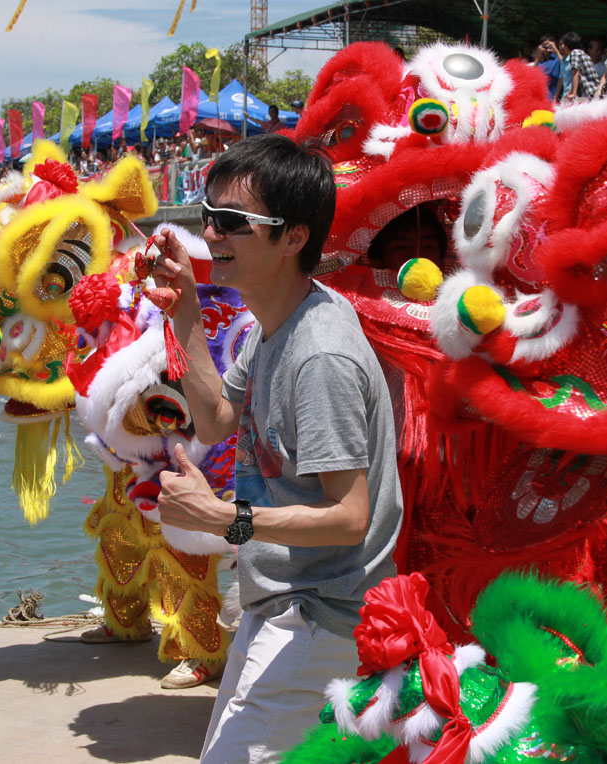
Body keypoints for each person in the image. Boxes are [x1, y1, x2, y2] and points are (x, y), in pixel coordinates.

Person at [151, 134, 403, 764]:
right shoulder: (277, 327)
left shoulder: (318, 355)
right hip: (280, 605)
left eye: (233, 222)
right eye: (208, 217)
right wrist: (185, 310)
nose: (212, 235)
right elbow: (214, 420)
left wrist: (222, 519)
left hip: (319, 614)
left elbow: (349, 517)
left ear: (294, 237)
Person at [557, 32, 601, 101]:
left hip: (588, 90)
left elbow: (576, 74)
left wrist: (574, 93)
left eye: (564, 44)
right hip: (594, 90)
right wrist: (570, 92)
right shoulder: (582, 53)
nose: (562, 47)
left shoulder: (574, 53)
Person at [533, 33, 564, 101]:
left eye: (549, 46)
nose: (547, 48)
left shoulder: (557, 59)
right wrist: (538, 56)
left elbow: (565, 64)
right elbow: (531, 74)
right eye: (545, 46)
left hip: (554, 98)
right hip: (541, 99)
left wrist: (556, 50)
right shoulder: (540, 62)